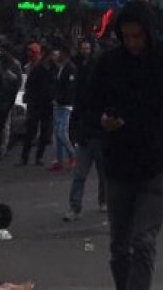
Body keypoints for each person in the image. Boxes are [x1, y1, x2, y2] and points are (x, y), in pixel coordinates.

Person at [90, 0, 163, 290]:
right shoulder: (109, 64)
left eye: (138, 36)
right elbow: (91, 103)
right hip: (118, 164)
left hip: (155, 164)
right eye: (127, 37)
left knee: (144, 241)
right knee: (119, 246)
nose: (133, 42)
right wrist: (102, 122)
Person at [66, 42, 108, 221]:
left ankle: (76, 207)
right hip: (97, 135)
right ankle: (101, 202)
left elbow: (76, 112)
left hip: (89, 135)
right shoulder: (103, 93)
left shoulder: (84, 91)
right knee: (101, 174)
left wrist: (74, 133)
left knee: (81, 175)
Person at [19, 47, 56, 167]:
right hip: (36, 103)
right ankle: (25, 157)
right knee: (31, 131)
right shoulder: (39, 69)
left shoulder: (54, 69)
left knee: (44, 133)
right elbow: (29, 85)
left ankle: (38, 157)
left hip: (47, 104)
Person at [0, 51, 23, 168]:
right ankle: (0, 152)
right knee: (2, 130)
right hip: (6, 105)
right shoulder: (10, 75)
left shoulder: (0, 74)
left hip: (0, 106)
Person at [53, 47, 78, 171]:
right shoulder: (60, 68)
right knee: (58, 134)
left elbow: (70, 88)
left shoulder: (70, 69)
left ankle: (72, 154)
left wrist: (60, 98)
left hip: (65, 105)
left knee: (61, 132)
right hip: (59, 104)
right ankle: (59, 160)